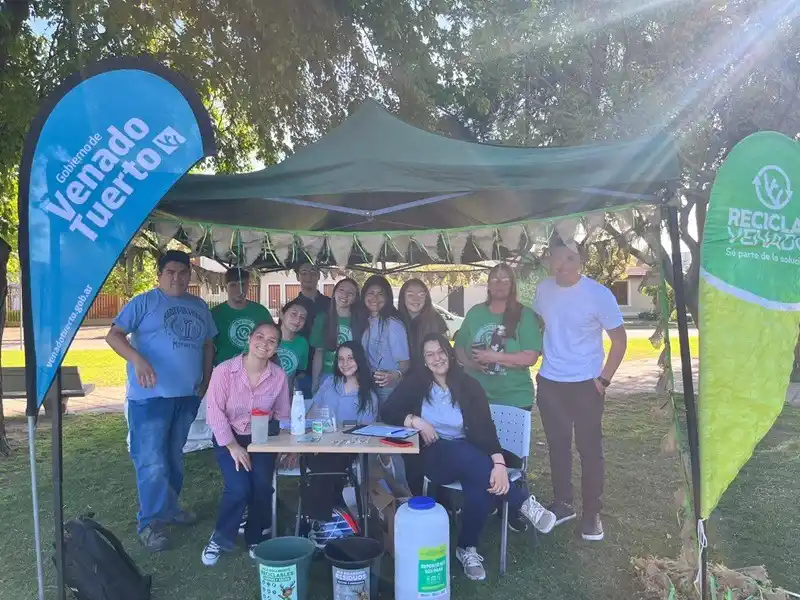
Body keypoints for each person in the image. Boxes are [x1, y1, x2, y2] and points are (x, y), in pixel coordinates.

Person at [382, 334, 556, 582]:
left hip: (471, 458)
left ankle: (467, 549)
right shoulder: (416, 383)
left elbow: (485, 426)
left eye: (440, 352)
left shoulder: (468, 385)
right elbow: (387, 410)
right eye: (430, 354)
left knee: (478, 479)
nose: (436, 358)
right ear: (424, 360)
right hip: (433, 456)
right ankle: (522, 502)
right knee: (467, 455)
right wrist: (415, 421)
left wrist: (498, 463)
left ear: (449, 353)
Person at [106, 249, 217, 551]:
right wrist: (137, 360)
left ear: (190, 275)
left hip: (187, 396)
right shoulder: (144, 302)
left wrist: (206, 379)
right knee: (151, 461)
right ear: (159, 275)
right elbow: (114, 335)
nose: (177, 278)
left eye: (183, 273)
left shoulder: (198, 305)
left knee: (173, 457)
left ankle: (170, 509)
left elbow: (208, 345)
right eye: (170, 272)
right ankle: (150, 522)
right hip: (150, 398)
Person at [533, 237, 627, 542]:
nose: (562, 265)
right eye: (557, 258)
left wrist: (604, 380)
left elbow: (620, 341)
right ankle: (563, 504)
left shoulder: (598, 294)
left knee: (589, 450)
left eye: (570, 258)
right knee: (558, 446)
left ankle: (591, 514)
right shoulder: (543, 290)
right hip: (550, 382)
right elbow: (540, 324)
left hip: (587, 385)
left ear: (581, 261)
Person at [202, 321, 290, 566]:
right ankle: (219, 538)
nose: (264, 343)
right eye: (260, 337)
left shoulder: (278, 376)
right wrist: (233, 446)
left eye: (272, 341)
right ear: (249, 339)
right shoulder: (224, 371)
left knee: (262, 486)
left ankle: (255, 537)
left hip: (262, 439)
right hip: (229, 436)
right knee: (239, 488)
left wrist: (285, 447)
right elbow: (214, 412)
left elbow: (283, 416)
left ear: (276, 348)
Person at [301, 342, 378, 544]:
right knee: (324, 466)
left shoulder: (368, 395)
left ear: (359, 360)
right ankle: (332, 521)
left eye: (350, 358)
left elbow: (365, 435)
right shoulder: (330, 382)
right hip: (318, 445)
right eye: (341, 359)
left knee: (327, 468)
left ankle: (315, 523)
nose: (345, 363)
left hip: (347, 450)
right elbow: (311, 415)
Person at [455, 263, 542, 409]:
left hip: (514, 397)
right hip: (475, 394)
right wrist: (472, 364)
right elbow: (459, 347)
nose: (499, 284)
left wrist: (493, 357)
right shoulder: (475, 312)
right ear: (488, 285)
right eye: (495, 280)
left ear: (512, 285)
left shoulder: (525, 315)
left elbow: (530, 357)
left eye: (505, 280)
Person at [310, 278, 364, 393]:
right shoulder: (322, 318)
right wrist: (315, 382)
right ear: (334, 293)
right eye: (342, 290)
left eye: (350, 293)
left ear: (355, 298)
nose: (345, 295)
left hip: (353, 377)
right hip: (328, 376)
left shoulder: (360, 320)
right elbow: (318, 353)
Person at [211, 268, 273, 365]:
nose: (239, 290)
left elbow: (272, 341)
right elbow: (208, 347)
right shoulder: (214, 314)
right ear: (226, 287)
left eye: (242, 284)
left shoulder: (261, 312)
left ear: (249, 285)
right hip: (225, 370)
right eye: (233, 285)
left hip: (255, 370)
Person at [292, 263, 332, 398]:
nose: (309, 276)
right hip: (301, 372)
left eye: (313, 272)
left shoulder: (331, 304)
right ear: (298, 277)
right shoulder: (291, 308)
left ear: (319, 275)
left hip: (329, 369)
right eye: (304, 273)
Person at [398, 278, 447, 367]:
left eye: (421, 295)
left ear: (426, 298)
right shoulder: (395, 321)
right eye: (410, 295)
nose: (416, 299)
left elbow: (445, 352)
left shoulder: (437, 320)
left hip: (431, 371)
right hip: (400, 372)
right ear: (403, 297)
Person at [276, 299, 310, 394]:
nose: (297, 320)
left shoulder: (302, 343)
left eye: (302, 317)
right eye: (294, 314)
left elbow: (300, 371)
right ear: (282, 314)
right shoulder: (267, 336)